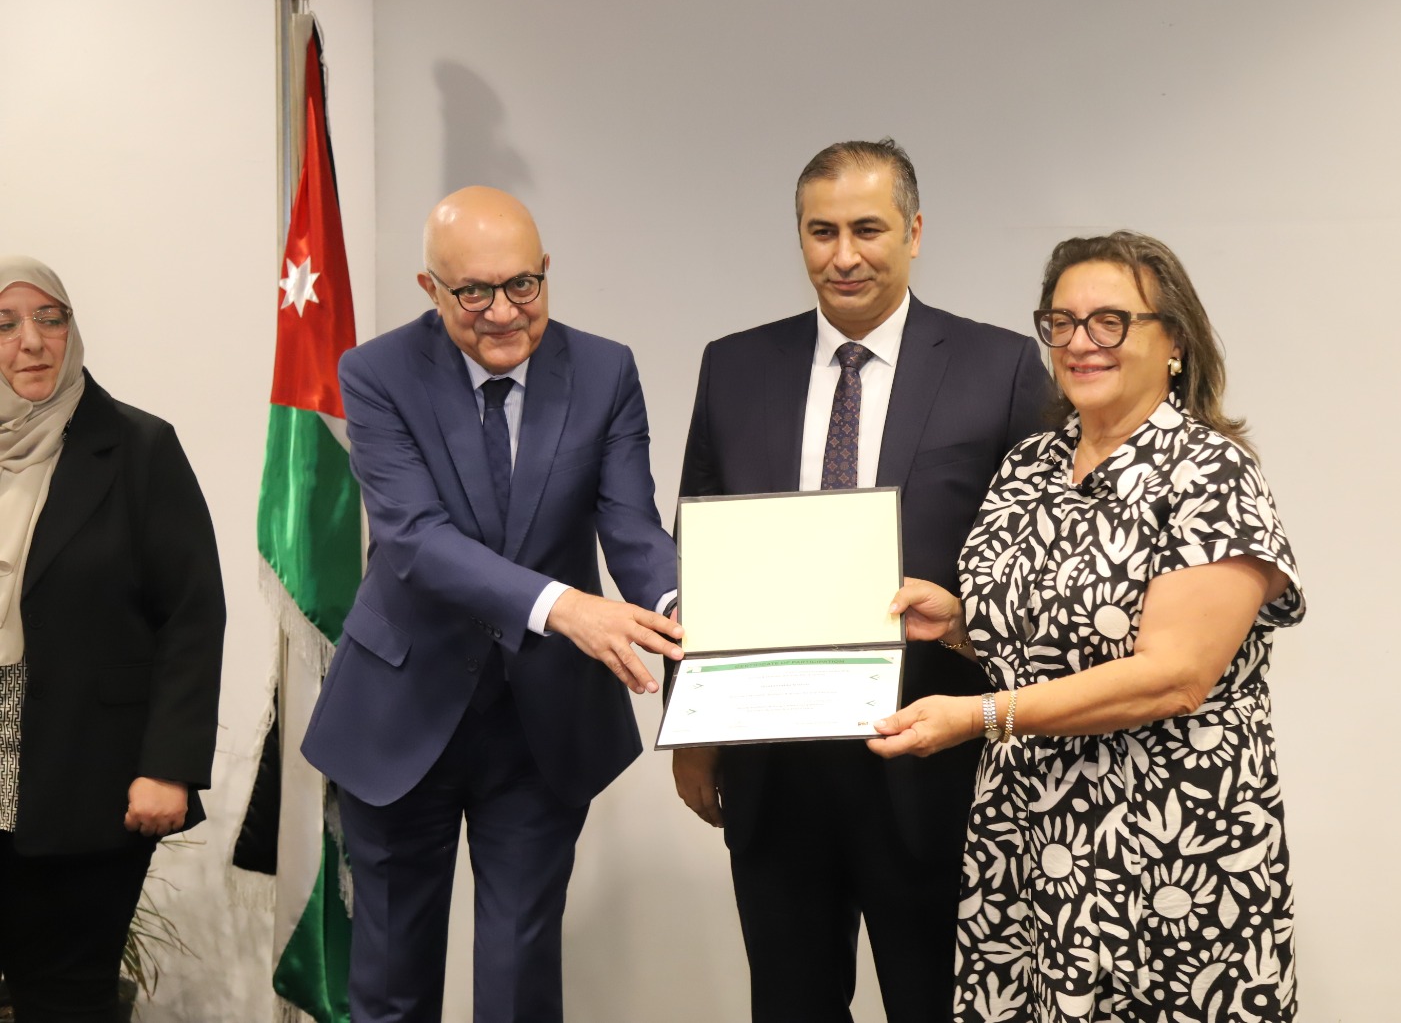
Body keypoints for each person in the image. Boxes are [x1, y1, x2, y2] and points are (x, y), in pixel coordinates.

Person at [869, 231, 1305, 1021]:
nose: (1079, 343)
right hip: (1028, 841)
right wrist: (959, 624)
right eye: (1061, 322)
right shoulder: (1030, 465)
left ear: (1175, 341)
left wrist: (980, 715)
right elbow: (1044, 642)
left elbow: (1175, 677)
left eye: (1111, 321)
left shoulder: (1210, 472)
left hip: (1168, 851)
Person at [674, 139, 1053, 1022]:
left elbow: (1040, 557)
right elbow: (698, 553)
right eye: (822, 232)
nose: (844, 255)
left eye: (868, 229)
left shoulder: (999, 368)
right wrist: (692, 729)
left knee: (939, 1006)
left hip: (933, 759)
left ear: (914, 233)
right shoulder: (733, 366)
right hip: (772, 762)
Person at [300, 187, 684, 1023]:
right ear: (430, 288)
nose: (503, 312)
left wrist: (684, 602)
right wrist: (565, 606)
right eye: (474, 292)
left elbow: (630, 524)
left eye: (522, 285)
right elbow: (415, 540)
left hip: (541, 723)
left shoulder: (605, 370)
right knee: (392, 988)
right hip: (400, 713)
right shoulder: (376, 374)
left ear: (546, 272)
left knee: (519, 981)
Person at [0, 255, 226, 1020]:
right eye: (5, 324)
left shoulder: (137, 448)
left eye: (50, 319)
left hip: (83, 788)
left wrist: (169, 766)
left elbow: (192, 616)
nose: (32, 342)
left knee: (65, 1000)